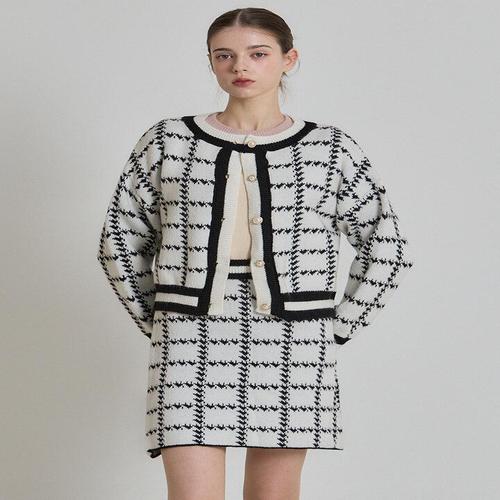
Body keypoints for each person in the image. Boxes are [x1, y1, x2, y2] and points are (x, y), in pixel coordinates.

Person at [96, 7, 414, 500]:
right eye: (224, 55)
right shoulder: (167, 141)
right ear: (211, 61)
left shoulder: (330, 149)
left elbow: (387, 247)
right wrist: (161, 322)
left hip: (295, 342)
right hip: (189, 340)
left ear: (289, 59)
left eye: (258, 54)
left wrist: (334, 329)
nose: (240, 66)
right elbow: (119, 242)